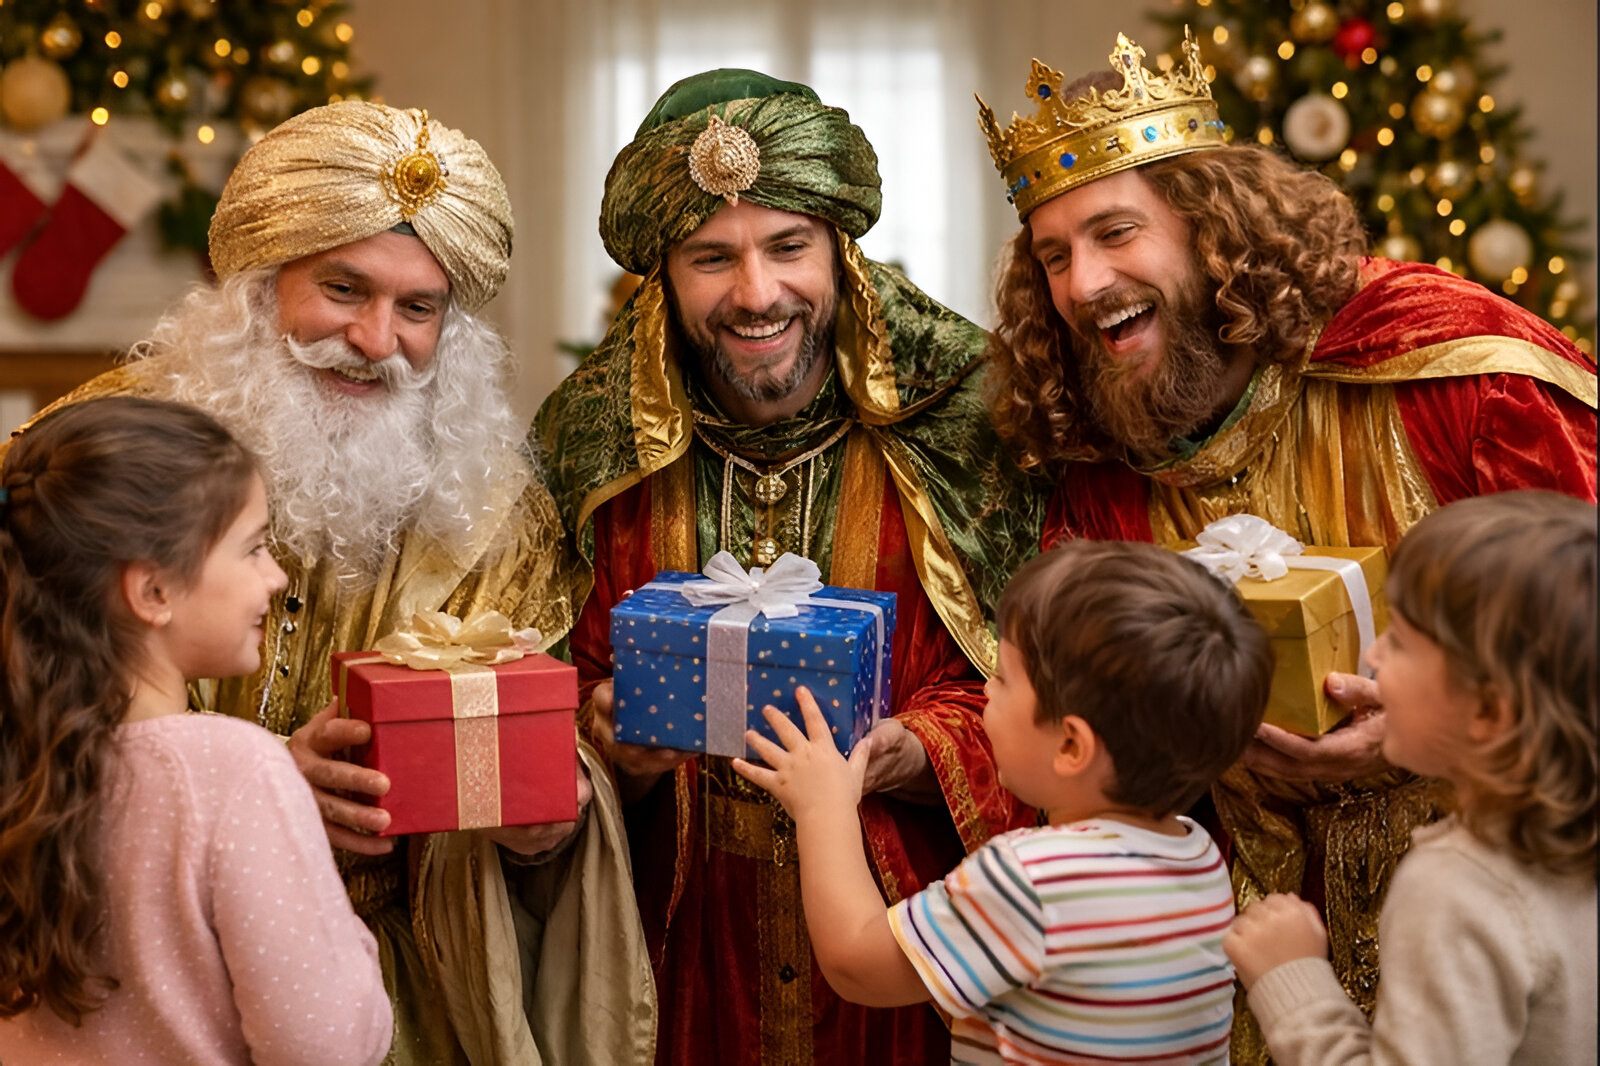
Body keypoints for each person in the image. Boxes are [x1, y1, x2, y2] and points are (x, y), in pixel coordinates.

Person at [975, 28, 1598, 1060]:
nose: (1084, 284)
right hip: (1235, 957)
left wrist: (1422, 731)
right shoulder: (1089, 463)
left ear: (1209, 226)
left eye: (1115, 232)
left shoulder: (1458, 377)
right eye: (1053, 255)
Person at [4, 103, 653, 1066]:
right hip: (110, 974)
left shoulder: (494, 507)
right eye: (343, 288)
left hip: (417, 990)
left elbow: (538, 749)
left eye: (418, 308)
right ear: (262, 286)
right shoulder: (92, 455)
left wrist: (541, 829)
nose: (376, 339)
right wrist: (257, 796)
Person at [535, 69, 1046, 1064]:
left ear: (839, 252)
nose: (755, 293)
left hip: (900, 946)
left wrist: (911, 747)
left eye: (786, 247)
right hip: (674, 954)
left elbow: (1050, 688)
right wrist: (604, 737)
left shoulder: (970, 423)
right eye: (710, 257)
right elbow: (536, 679)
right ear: (662, 277)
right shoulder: (588, 446)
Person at [732, 540, 1274, 1065]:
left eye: (1002, 678)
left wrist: (822, 807)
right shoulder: (1199, 857)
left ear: (1070, 745)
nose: (985, 692)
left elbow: (856, 963)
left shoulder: (1030, 881)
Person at [0, 396, 391, 1066]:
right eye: (254, 548)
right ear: (153, 592)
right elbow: (324, 1045)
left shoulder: (21, 750)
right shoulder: (235, 771)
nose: (277, 577)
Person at [1224, 491, 1598, 1066]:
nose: (1374, 657)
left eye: (1401, 642)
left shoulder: (1455, 892)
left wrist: (1291, 978)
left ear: (1487, 713)